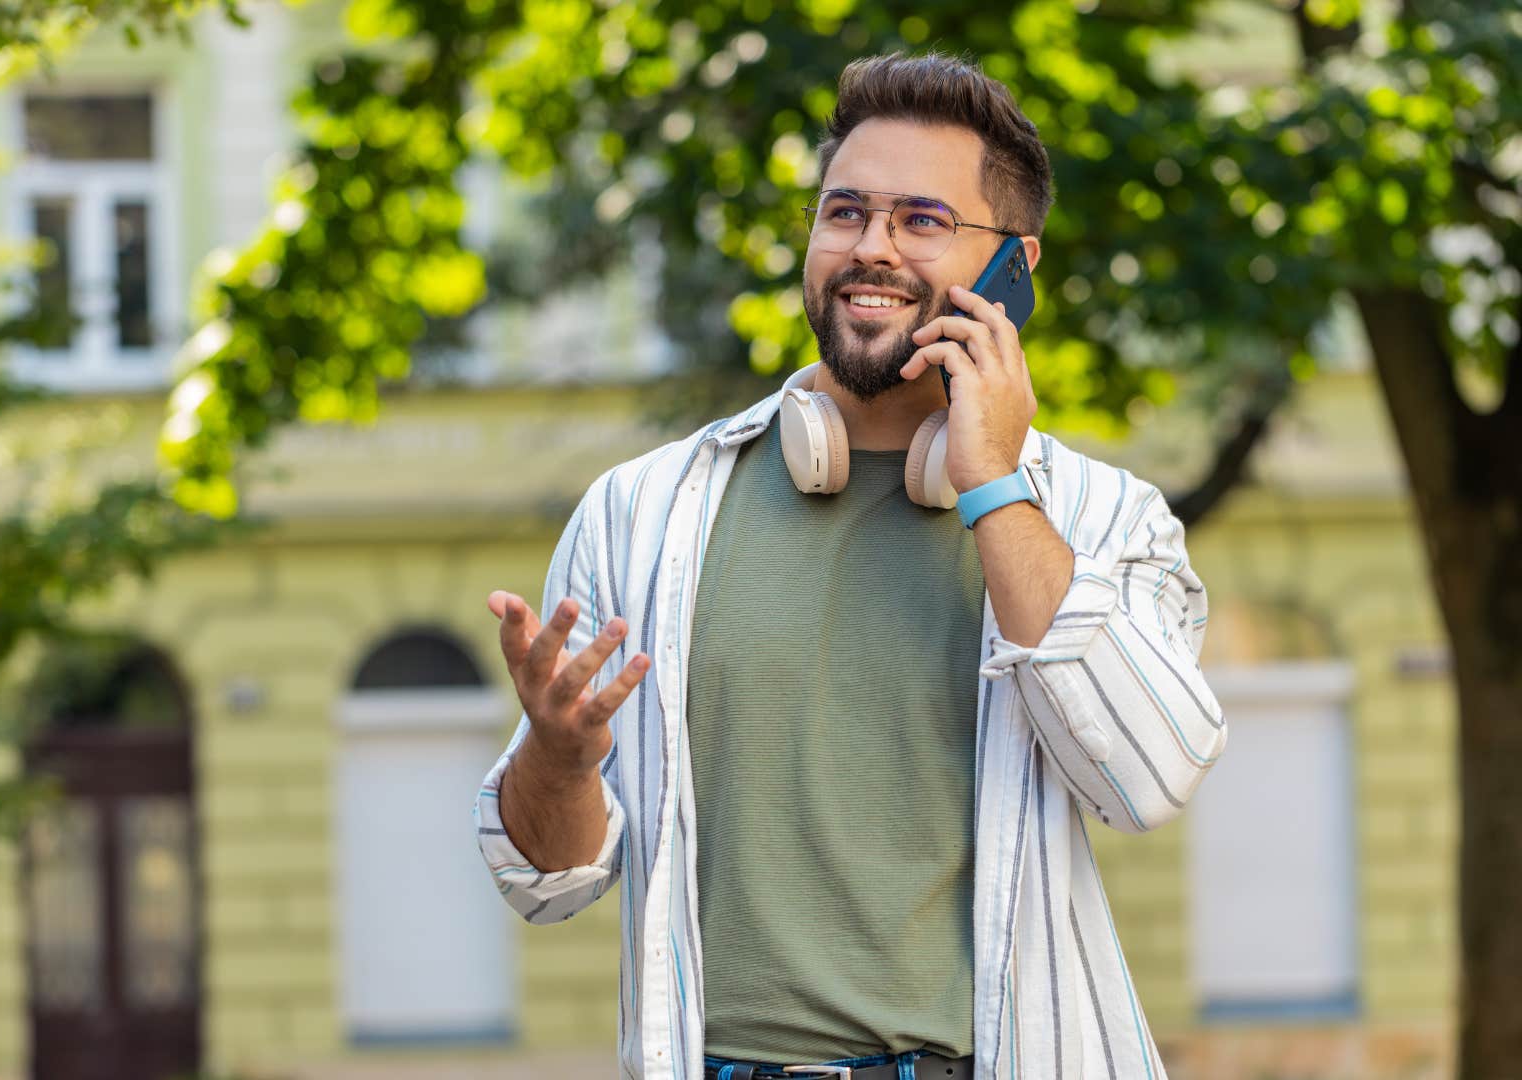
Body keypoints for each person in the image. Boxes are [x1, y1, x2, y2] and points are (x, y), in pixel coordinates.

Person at [474, 51, 1224, 1080]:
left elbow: (1144, 778)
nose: (871, 248)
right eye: (845, 213)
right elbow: (547, 884)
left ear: (1014, 270)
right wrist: (556, 760)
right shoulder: (640, 515)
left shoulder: (1104, 517)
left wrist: (994, 483)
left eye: (922, 220)